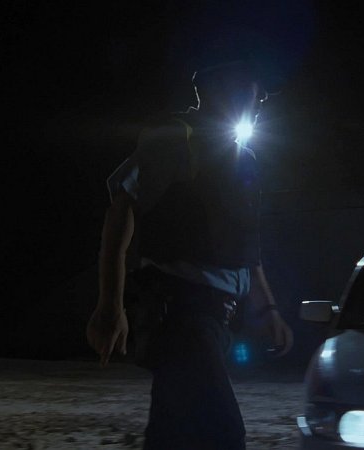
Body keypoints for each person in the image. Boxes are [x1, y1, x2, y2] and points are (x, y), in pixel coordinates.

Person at [86, 60, 294, 450]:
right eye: (254, 87)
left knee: (172, 435)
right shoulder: (177, 139)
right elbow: (121, 211)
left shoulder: (245, 159)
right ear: (219, 89)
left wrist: (268, 310)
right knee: (224, 434)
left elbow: (247, 247)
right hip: (181, 315)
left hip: (215, 320)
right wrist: (110, 304)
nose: (263, 98)